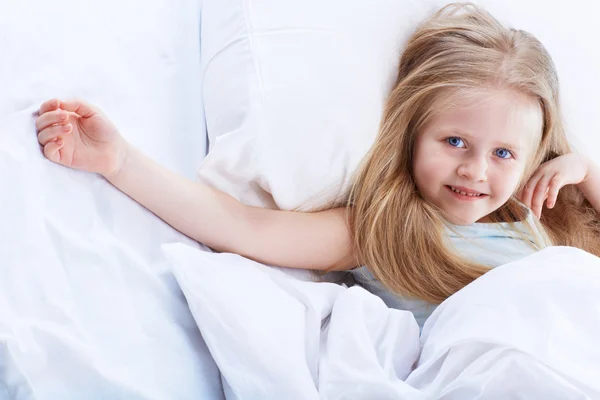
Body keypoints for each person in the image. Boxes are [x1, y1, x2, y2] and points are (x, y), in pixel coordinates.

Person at [34, 3, 600, 328]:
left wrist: (582, 168)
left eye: (503, 153)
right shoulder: (380, 230)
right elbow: (243, 225)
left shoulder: (537, 214)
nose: (476, 171)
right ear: (411, 131)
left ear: (534, 153)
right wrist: (119, 161)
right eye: (454, 141)